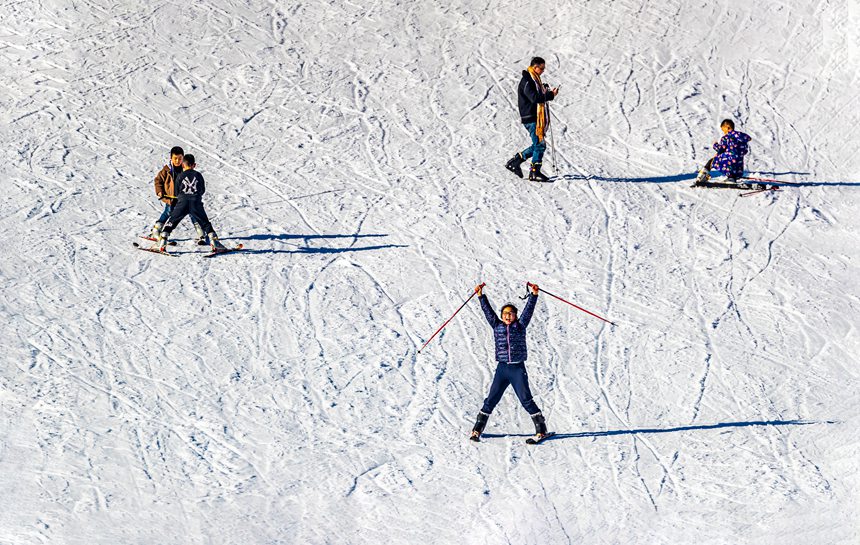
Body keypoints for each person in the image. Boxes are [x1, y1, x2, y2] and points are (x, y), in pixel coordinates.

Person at [469, 283, 549, 442]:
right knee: (491, 398)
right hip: (502, 369)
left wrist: (534, 295)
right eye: (505, 313)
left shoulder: (520, 326)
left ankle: (541, 429)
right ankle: (477, 429)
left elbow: (528, 311)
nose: (508, 316)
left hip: (517, 369)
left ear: (516, 316)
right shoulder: (496, 325)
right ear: (501, 315)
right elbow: (488, 312)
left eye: (511, 314)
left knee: (525, 399)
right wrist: (480, 296)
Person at [505, 57, 560, 183]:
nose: (543, 71)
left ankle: (516, 161)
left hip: (534, 117)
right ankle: (534, 172)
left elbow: (537, 95)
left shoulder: (534, 79)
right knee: (540, 145)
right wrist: (550, 95)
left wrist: (544, 90)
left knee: (538, 144)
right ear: (535, 67)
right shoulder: (527, 81)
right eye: (541, 68)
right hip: (531, 118)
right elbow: (534, 98)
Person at [157, 154, 227, 251]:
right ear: (194, 165)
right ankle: (214, 241)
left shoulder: (180, 176)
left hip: (182, 203)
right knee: (205, 222)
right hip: (196, 203)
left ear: (183, 165)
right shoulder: (198, 175)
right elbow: (202, 190)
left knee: (172, 221)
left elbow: (177, 192)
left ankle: (163, 241)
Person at [150, 146, 206, 243]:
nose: (177, 161)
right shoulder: (167, 170)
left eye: (180, 158)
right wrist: (159, 191)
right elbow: (158, 180)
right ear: (171, 158)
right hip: (171, 198)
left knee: (193, 213)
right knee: (169, 212)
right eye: (175, 158)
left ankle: (201, 233)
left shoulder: (186, 168)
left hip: (185, 198)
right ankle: (157, 230)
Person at [695, 119, 752, 184]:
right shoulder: (742, 138)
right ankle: (732, 178)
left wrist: (715, 145)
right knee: (732, 165)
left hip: (729, 159)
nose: (723, 132)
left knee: (712, 161)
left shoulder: (726, 137)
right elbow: (745, 150)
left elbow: (721, 149)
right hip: (739, 162)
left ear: (728, 127)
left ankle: (701, 177)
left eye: (723, 130)